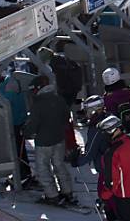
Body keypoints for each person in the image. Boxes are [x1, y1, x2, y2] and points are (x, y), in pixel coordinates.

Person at [24, 76, 76, 206]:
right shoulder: (58, 99)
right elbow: (66, 117)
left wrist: (26, 132)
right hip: (59, 138)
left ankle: (52, 195)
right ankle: (67, 191)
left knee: (43, 169)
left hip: (43, 142)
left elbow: (33, 124)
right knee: (59, 165)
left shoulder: (38, 104)